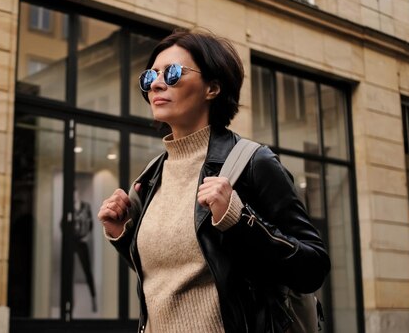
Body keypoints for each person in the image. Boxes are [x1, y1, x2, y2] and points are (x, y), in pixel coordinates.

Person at [97, 29, 330, 333]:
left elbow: (313, 269)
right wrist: (121, 235)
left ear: (213, 88)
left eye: (173, 73)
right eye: (150, 76)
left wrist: (240, 218)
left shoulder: (253, 163)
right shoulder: (152, 175)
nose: (155, 83)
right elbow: (169, 278)